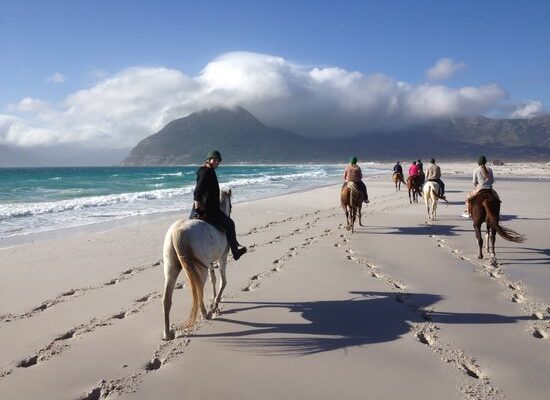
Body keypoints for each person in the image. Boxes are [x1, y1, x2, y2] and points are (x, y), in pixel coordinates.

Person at [192, 150, 247, 260]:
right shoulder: (208, 171)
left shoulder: (202, 170)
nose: (216, 162)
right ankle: (235, 252)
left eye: (218, 160)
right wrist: (199, 208)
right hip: (210, 210)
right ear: (209, 159)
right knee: (230, 224)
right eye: (214, 159)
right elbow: (198, 191)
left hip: (200, 207)